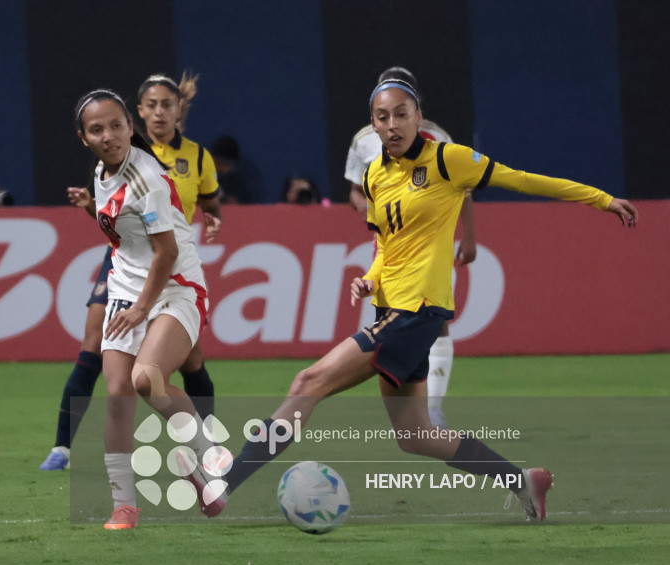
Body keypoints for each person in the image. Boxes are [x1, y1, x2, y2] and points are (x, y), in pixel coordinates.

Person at [186, 76, 638, 523]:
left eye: (402, 114)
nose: (393, 124)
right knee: (416, 434)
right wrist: (370, 277)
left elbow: (521, 180)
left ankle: (223, 487)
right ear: (373, 125)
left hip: (417, 311)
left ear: (418, 116)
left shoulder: (447, 160)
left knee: (308, 383)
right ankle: (523, 482)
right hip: (391, 308)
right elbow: (389, 245)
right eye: (383, 117)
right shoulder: (375, 174)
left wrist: (600, 199)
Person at [40, 73, 222, 472]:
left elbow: (196, 215)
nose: (159, 111)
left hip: (169, 268)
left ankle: (207, 443)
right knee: (101, 361)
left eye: (166, 104)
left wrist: (212, 218)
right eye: (151, 104)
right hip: (125, 261)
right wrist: (91, 206)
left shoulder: (183, 160)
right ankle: (64, 449)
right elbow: (116, 222)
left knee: (186, 365)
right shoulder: (107, 165)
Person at [345, 66, 475, 429]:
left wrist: (470, 236)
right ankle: (410, 408)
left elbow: (462, 189)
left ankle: (433, 407)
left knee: (434, 320)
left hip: (430, 241)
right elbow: (356, 190)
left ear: (416, 106)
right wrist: (372, 212)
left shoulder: (438, 138)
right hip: (390, 243)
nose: (392, 119)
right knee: (387, 317)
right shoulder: (364, 140)